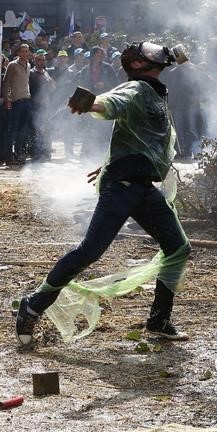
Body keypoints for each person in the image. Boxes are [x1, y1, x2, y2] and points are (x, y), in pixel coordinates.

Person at [15, 41, 192, 346]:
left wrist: (111, 162)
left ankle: (158, 320)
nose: (157, 51)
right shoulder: (137, 88)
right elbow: (110, 102)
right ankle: (33, 304)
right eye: (148, 52)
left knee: (178, 247)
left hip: (142, 186)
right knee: (90, 252)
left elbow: (141, 139)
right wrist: (91, 103)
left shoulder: (154, 92)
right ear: (138, 65)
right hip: (122, 189)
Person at [161, 44, 211, 159]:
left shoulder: (193, 70)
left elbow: (203, 84)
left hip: (190, 104)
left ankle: (195, 152)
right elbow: (170, 90)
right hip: (181, 105)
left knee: (190, 129)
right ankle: (185, 151)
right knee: (182, 129)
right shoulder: (175, 72)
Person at [3, 44, 33, 165]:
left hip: (26, 100)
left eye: (27, 51)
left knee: (23, 130)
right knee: (13, 130)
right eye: (23, 51)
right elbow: (6, 83)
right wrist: (7, 99)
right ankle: (9, 157)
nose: (25, 53)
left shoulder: (29, 65)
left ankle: (18, 154)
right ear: (19, 53)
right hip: (16, 101)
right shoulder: (12, 65)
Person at [29, 50, 56, 161]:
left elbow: (53, 89)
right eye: (39, 60)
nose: (41, 62)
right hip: (35, 106)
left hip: (46, 106)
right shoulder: (31, 73)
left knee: (46, 129)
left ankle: (46, 152)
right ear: (35, 61)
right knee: (36, 129)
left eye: (43, 60)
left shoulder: (46, 72)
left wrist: (51, 85)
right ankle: (36, 153)